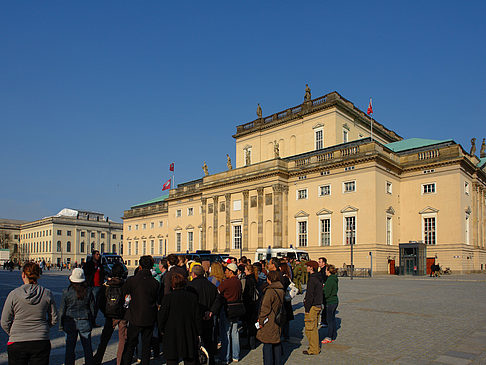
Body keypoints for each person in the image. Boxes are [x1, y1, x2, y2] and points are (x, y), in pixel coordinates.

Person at [1, 262, 58, 365]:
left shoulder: (14, 294)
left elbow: (5, 321)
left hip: (17, 342)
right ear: (39, 275)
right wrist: (43, 328)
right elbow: (54, 318)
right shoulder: (47, 293)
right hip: (40, 341)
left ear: (23, 275)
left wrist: (14, 332)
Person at [121, 256, 160, 365]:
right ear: (152, 267)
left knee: (130, 344)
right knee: (146, 344)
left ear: (140, 266)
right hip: (149, 316)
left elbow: (124, 292)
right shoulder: (155, 283)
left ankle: (126, 362)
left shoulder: (132, 280)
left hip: (135, 316)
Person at [159, 273, 202, 365]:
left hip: (171, 332)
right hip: (188, 331)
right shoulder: (192, 297)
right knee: (190, 358)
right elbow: (197, 317)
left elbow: (162, 316)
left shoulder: (168, 298)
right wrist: (198, 332)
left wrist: (161, 329)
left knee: (172, 359)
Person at [60, 267, 96, 365]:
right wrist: (92, 321)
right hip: (84, 320)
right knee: (87, 347)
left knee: (70, 347)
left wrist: (60, 324)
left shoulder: (66, 291)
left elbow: (62, 310)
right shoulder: (88, 291)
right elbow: (92, 308)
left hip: (70, 321)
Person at [94, 262, 127, 365]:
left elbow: (99, 301)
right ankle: (120, 361)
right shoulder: (125, 285)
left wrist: (106, 311)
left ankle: (98, 359)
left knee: (104, 340)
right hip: (122, 315)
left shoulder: (106, 286)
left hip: (110, 315)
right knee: (122, 339)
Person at [187, 265, 219, 365]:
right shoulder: (211, 285)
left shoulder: (190, 286)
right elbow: (218, 299)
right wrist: (211, 311)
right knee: (208, 341)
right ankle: (210, 360)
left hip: (195, 318)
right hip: (208, 317)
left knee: (194, 343)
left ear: (193, 274)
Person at [256, 270, 285, 365]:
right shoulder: (280, 289)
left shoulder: (270, 291)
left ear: (269, 279)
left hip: (269, 320)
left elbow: (265, 308)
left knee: (267, 343)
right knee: (276, 342)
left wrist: (260, 320)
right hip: (277, 318)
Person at [218, 263, 242, 364]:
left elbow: (218, 291)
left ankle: (225, 357)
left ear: (231, 271)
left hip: (227, 308)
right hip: (237, 308)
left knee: (226, 333)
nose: (225, 272)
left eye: (227, 271)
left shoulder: (227, 282)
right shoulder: (238, 281)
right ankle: (236, 355)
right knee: (235, 333)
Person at [302, 260, 323, 355]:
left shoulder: (312, 279)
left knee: (310, 329)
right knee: (314, 327)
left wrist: (307, 308)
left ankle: (313, 349)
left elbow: (310, 295)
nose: (306, 268)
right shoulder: (318, 277)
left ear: (311, 268)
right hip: (318, 305)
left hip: (312, 306)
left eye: (308, 266)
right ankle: (314, 347)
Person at [83, 250, 104, 325]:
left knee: (96, 305)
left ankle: (93, 320)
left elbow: (103, 274)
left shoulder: (100, 265)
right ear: (93, 255)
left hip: (98, 286)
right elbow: (85, 273)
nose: (98, 256)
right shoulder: (88, 264)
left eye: (99, 254)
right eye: (97, 254)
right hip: (90, 286)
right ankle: (89, 320)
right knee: (90, 304)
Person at [242, 264, 259, 349]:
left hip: (249, 304)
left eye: (245, 270)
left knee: (250, 325)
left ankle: (251, 343)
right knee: (252, 324)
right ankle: (252, 342)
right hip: (254, 304)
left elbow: (247, 294)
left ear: (249, 271)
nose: (244, 271)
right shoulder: (254, 278)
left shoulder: (248, 280)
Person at [321, 264, 339, 344]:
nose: (325, 271)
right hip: (334, 301)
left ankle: (329, 336)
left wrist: (322, 290)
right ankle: (333, 335)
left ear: (328, 271)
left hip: (330, 301)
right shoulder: (333, 278)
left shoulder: (330, 280)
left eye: (326, 270)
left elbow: (327, 292)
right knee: (332, 319)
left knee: (329, 320)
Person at [279, 262, 294, 340]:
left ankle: (284, 335)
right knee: (286, 320)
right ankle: (286, 335)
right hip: (287, 301)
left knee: (283, 318)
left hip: (284, 300)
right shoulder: (288, 277)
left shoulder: (284, 278)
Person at [318, 257, 328, 327]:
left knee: (325, 306)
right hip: (321, 290)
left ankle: (325, 321)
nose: (319, 263)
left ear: (324, 263)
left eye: (320, 262)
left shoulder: (325, 270)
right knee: (323, 306)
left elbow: (324, 280)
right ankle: (323, 320)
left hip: (324, 290)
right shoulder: (321, 270)